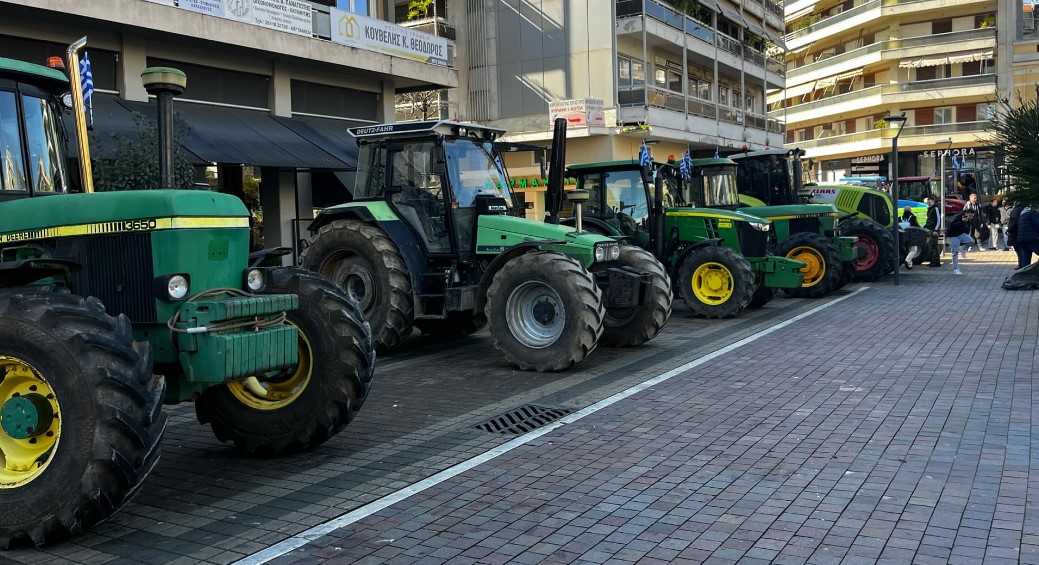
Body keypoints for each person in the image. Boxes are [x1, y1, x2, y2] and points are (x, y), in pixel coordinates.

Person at [945, 209, 976, 275]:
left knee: (972, 241)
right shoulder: (958, 216)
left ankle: (962, 248)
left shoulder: (968, 219)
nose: (971, 217)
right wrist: (962, 221)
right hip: (952, 236)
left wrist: (966, 235)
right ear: (966, 213)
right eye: (970, 216)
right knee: (955, 253)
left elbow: (967, 228)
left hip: (960, 234)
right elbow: (952, 226)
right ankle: (956, 269)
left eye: (972, 216)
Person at [923, 196, 942, 267]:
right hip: (931, 229)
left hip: (933, 230)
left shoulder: (935, 208)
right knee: (931, 246)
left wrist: (936, 230)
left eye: (930, 202)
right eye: (928, 202)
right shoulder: (930, 209)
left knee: (933, 246)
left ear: (933, 201)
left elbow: (938, 220)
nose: (928, 203)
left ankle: (935, 262)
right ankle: (933, 261)